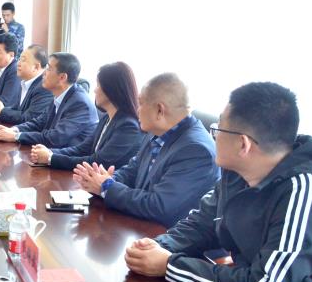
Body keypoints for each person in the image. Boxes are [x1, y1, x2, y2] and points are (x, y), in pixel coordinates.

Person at [125, 82, 312, 282]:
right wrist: (159, 246)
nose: (213, 135)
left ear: (243, 144)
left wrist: (169, 266)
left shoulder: (306, 190)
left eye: (218, 129)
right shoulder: (238, 172)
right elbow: (203, 223)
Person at [74, 73, 219, 227]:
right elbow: (132, 170)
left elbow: (159, 206)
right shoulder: (157, 132)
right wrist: (103, 180)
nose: (137, 110)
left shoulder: (195, 150)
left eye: (141, 104)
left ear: (159, 110)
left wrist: (107, 187)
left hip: (164, 235)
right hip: (139, 224)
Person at [30, 61, 144, 170]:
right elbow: (82, 149)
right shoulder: (106, 118)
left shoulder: (128, 126)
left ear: (112, 90)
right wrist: (49, 152)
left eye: (98, 85)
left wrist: (51, 158)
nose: (94, 90)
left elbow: (98, 161)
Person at [0, 52, 98, 148]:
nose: (44, 73)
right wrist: (13, 130)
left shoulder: (80, 103)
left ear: (62, 77)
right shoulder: (59, 95)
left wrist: (16, 136)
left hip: (70, 161)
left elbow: (55, 138)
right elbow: (39, 122)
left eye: (49, 69)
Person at [0, 44, 52, 125]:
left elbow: (30, 118)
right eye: (19, 59)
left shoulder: (44, 87)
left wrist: (1, 111)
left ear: (36, 67)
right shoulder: (24, 82)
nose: (18, 63)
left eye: (23, 60)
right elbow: (17, 110)